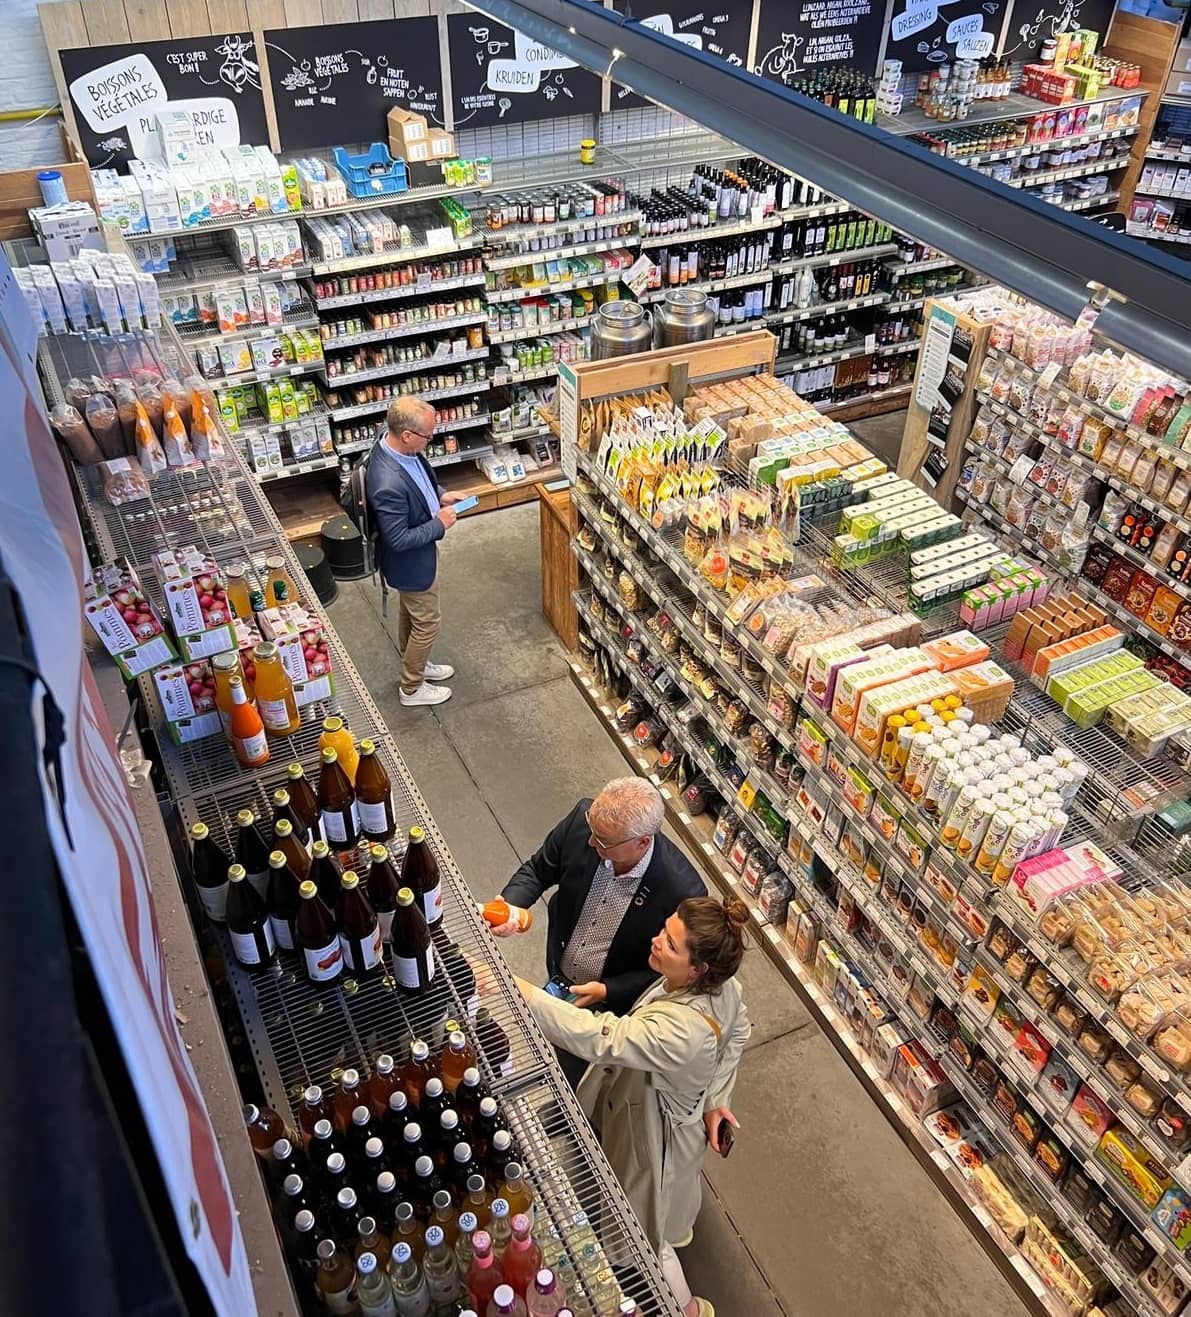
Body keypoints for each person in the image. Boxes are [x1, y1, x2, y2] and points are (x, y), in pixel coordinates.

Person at [514, 895, 751, 1317]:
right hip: (656, 1107)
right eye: (666, 929)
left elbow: (603, 1037)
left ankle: (688, 1308)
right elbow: (737, 1031)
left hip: (654, 1134)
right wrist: (716, 1099)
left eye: (671, 944)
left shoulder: (685, 1031)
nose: (657, 940)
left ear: (698, 970)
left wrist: (526, 995)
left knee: (644, 1234)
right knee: (654, 1213)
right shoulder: (720, 987)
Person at [493, 778, 705, 1084]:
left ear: (642, 842)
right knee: (551, 1038)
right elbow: (539, 869)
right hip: (562, 969)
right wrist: (509, 908)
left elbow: (666, 970)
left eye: (604, 841)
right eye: (592, 830)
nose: (592, 843)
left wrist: (608, 990)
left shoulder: (682, 892)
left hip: (611, 1005)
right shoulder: (585, 823)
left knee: (583, 1072)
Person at [365, 397, 463, 708]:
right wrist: (439, 524)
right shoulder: (387, 483)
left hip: (417, 560)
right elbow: (398, 538)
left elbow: (419, 482)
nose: (430, 440)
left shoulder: (399, 449)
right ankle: (411, 688)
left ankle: (417, 665)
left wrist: (441, 495)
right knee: (428, 622)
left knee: (412, 614)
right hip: (411, 564)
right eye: (427, 436)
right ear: (407, 434)